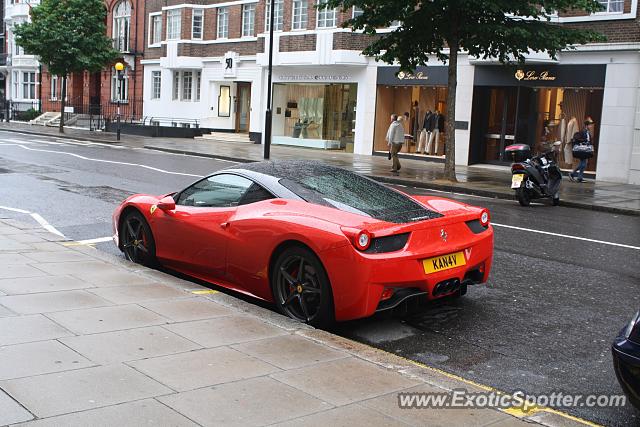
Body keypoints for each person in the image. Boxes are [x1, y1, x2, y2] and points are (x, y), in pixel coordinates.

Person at [569, 118, 594, 183]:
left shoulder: (587, 132)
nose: (591, 126)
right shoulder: (582, 131)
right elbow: (578, 139)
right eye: (590, 125)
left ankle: (579, 177)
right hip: (582, 149)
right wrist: (584, 141)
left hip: (585, 149)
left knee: (583, 164)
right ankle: (573, 174)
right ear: (586, 125)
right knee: (583, 164)